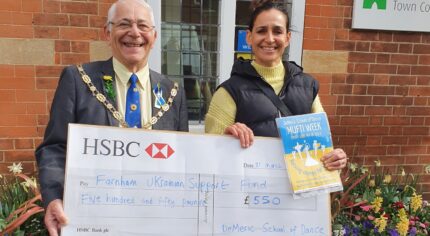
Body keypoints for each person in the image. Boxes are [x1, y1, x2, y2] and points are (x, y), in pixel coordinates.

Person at [35, 0, 188, 235]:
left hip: (154, 220)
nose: (134, 33)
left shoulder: (171, 91)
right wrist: (53, 197)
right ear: (107, 33)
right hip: (93, 220)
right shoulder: (78, 80)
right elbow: (54, 147)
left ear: (154, 36)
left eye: (143, 26)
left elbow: (183, 157)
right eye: (124, 24)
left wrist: (228, 145)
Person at [205, 0, 347, 170]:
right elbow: (209, 154)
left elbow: (323, 150)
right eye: (261, 31)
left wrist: (334, 159)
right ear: (249, 37)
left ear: (287, 38)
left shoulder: (308, 87)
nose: (270, 39)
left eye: (277, 31)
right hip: (250, 192)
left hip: (296, 193)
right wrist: (227, 138)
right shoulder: (229, 91)